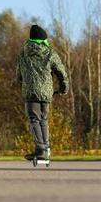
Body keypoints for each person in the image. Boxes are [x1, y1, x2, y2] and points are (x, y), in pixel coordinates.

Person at [16, 24, 69, 160]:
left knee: (34, 119)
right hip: (46, 93)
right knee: (43, 119)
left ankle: (41, 149)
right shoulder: (50, 52)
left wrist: (19, 81)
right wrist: (64, 87)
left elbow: (19, 73)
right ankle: (46, 147)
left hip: (31, 91)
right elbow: (61, 72)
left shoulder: (24, 52)